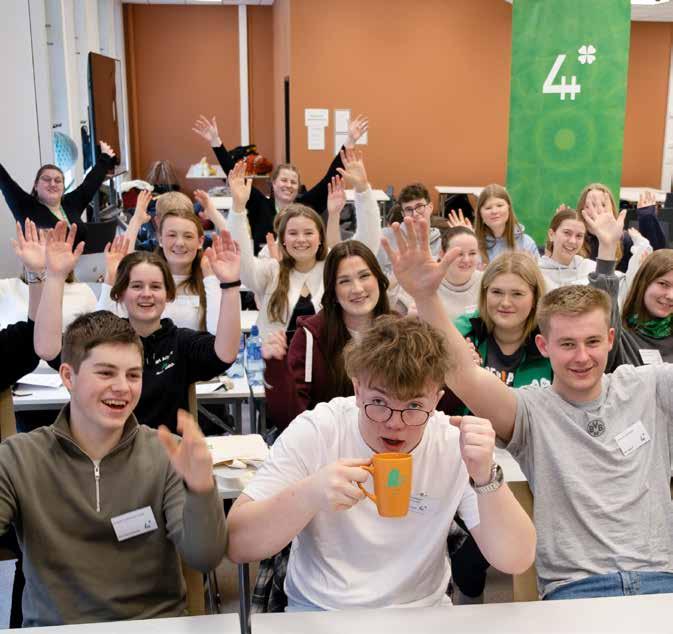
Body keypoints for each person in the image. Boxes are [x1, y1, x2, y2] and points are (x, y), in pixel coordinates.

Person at [382, 214, 673, 601]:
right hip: (577, 589)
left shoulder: (649, 386)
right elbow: (462, 374)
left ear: (609, 339)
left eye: (591, 342)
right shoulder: (531, 410)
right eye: (567, 344)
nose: (582, 357)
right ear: (543, 346)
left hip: (661, 583)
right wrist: (425, 297)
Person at [226, 314, 536, 611]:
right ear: (357, 389)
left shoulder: (451, 443)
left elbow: (516, 559)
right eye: (379, 402)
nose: (394, 423)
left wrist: (486, 476)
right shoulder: (318, 430)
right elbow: (238, 544)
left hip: (423, 612)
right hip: (320, 611)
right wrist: (310, 494)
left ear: (436, 399)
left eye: (414, 405)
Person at [2, 308, 226, 626]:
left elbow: (204, 557)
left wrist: (201, 488)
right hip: (57, 628)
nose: (122, 387)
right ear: (68, 376)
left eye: (133, 375)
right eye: (106, 373)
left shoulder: (165, 454)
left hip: (152, 625)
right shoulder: (19, 457)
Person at [34, 222, 241, 432]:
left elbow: (225, 353)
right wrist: (55, 277)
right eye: (136, 286)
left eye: (156, 287)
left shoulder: (181, 343)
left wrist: (230, 286)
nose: (146, 294)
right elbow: (47, 349)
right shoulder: (101, 339)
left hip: (163, 450)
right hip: (106, 449)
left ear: (168, 295)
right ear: (120, 294)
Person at [227, 151, 381, 339]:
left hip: (326, 354)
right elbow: (243, 264)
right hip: (274, 354)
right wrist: (238, 208)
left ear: (320, 238)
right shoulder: (272, 269)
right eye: (293, 233)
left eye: (308, 233)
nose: (301, 239)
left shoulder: (332, 266)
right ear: (283, 239)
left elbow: (368, 245)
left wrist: (363, 191)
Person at [262, 240, 392, 433]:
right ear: (333, 291)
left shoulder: (400, 331)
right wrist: (276, 368)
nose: (357, 288)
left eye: (364, 276)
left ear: (379, 279)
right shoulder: (310, 337)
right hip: (329, 445)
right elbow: (291, 420)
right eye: (344, 281)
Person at [193, 113, 369, 253]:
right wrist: (216, 142)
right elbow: (234, 174)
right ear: (273, 184)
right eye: (284, 180)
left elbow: (329, 178)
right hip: (265, 272)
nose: (288, 185)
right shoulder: (259, 205)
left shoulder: (306, 206)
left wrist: (349, 142)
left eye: (293, 182)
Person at [98, 191, 223, 333]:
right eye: (172, 234)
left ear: (200, 241)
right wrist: (111, 277)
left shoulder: (209, 278)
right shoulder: (144, 278)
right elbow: (103, 329)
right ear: (160, 239)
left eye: (188, 236)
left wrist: (211, 278)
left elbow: (220, 334)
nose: (180, 243)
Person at [453, 251, 550, 390]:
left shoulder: (552, 340)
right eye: (497, 292)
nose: (505, 303)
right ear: (485, 294)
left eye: (517, 294)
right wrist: (454, 370)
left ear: (535, 298)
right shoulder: (461, 332)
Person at [0, 141, 116, 244]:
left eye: (58, 180)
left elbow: (90, 184)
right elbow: (5, 180)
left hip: (81, 261)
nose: (53, 184)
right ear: (35, 185)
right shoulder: (25, 207)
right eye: (46, 179)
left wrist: (105, 157)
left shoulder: (71, 203)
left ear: (63, 187)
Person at [540, 205, 651, 304]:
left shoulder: (591, 269)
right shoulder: (538, 273)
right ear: (551, 235)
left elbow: (625, 287)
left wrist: (642, 247)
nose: (572, 241)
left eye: (579, 236)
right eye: (567, 233)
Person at [577, 185, 665, 273]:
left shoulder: (624, 240)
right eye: (591, 205)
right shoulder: (574, 239)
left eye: (603, 205)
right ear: (581, 210)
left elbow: (656, 260)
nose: (597, 210)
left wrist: (648, 220)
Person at [377, 182, 442, 277]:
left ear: (430, 207)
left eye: (419, 206)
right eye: (408, 209)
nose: (415, 214)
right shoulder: (385, 238)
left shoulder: (442, 243)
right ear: (403, 214)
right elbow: (378, 278)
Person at [473, 184, 538, 264]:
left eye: (499, 205)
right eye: (488, 208)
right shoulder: (473, 244)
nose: (494, 211)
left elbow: (538, 271)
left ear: (508, 208)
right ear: (480, 213)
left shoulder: (526, 243)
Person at [437, 226, 482, 320]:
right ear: (442, 254)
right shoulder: (428, 286)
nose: (466, 260)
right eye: (459, 254)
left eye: (472, 253)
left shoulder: (488, 282)